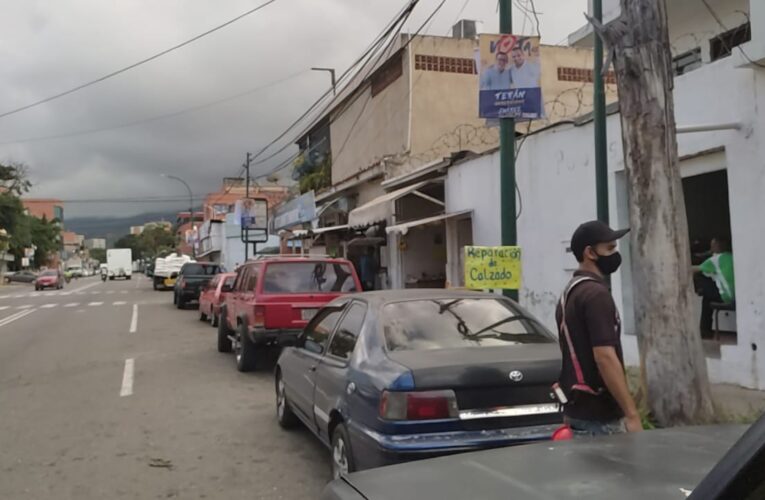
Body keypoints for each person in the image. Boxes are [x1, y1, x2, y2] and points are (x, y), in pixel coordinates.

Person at [556, 220, 642, 436]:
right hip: (599, 420)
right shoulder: (596, 295)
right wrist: (631, 414)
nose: (615, 254)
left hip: (578, 411)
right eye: (610, 248)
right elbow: (604, 357)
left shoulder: (571, 292)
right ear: (590, 253)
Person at [693, 237, 735, 338]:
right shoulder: (730, 256)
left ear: (716, 246)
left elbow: (694, 269)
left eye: (712, 245)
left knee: (705, 295)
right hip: (735, 295)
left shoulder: (715, 259)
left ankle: (705, 332)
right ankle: (705, 331)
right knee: (708, 296)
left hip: (726, 296)